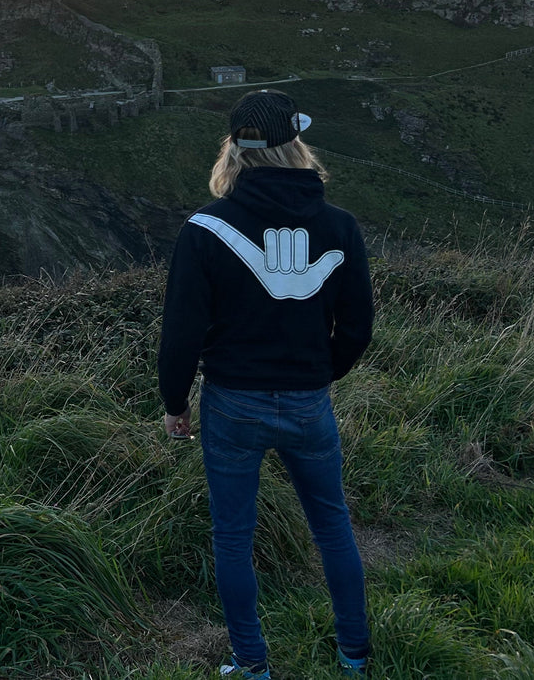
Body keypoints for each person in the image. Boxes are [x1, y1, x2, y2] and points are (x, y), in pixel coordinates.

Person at [157, 89, 374, 679]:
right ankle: (354, 655)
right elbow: (358, 326)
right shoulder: (339, 226)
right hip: (309, 403)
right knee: (332, 525)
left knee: (233, 537)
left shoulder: (206, 228)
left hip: (232, 404)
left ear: (234, 150)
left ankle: (252, 663)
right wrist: (319, 372)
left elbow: (180, 332)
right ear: (295, 147)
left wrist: (176, 404)